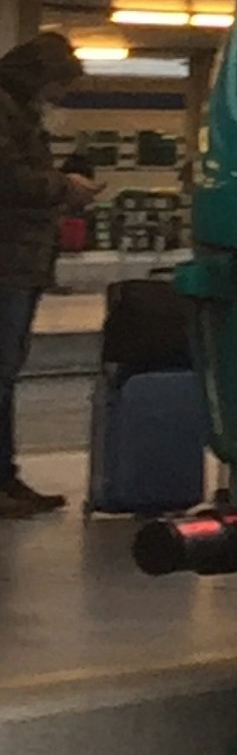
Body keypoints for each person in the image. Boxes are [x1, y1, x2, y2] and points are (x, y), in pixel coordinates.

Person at [0, 29, 81, 516]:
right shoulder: (6, 109)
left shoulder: (18, 110)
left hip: (20, 261)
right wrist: (64, 187)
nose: (60, 97)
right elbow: (9, 178)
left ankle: (7, 478)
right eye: (60, 87)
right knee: (2, 374)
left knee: (7, 375)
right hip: (7, 261)